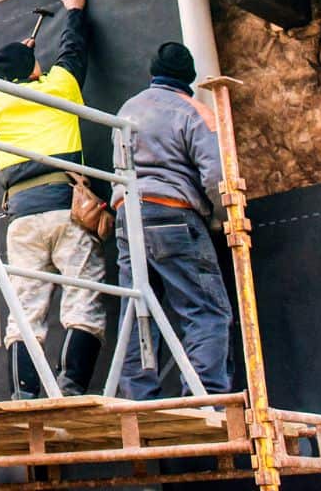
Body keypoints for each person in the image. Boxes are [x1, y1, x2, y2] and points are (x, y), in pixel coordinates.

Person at [0, 0, 108, 398]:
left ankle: (24, 392)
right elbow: (73, 52)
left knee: (25, 307)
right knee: (84, 296)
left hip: (20, 217)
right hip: (65, 207)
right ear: (36, 71)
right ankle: (71, 384)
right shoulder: (58, 87)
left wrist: (16, 57)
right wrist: (74, 12)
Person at [111, 41, 231, 399]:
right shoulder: (195, 112)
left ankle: (137, 398)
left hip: (128, 215)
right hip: (174, 214)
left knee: (137, 310)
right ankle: (205, 397)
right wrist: (220, 218)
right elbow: (216, 176)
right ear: (189, 78)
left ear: (153, 73)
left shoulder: (127, 109)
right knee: (206, 311)